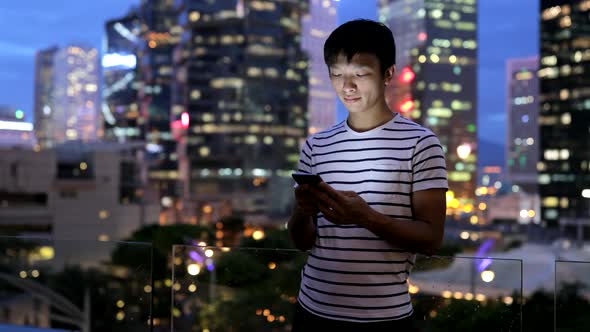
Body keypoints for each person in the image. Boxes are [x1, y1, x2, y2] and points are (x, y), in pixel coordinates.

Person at [288, 19, 448, 331]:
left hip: (384, 317)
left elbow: (432, 239)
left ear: (388, 73)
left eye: (360, 75)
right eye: (337, 75)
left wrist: (366, 217)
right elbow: (302, 241)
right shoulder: (316, 145)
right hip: (312, 311)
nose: (347, 87)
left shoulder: (420, 144)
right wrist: (301, 211)